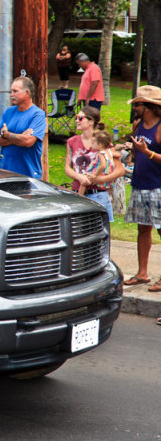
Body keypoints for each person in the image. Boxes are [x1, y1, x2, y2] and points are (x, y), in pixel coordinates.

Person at [124, 85, 161, 290]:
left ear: (147, 107)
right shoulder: (138, 125)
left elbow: (150, 154)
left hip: (158, 187)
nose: (135, 107)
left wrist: (147, 153)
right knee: (142, 229)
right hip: (140, 184)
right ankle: (142, 273)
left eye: (137, 104)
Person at [65, 107, 124, 222]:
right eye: (76, 118)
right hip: (78, 193)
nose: (76, 120)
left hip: (99, 195)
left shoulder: (103, 142)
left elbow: (120, 170)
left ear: (91, 121)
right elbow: (67, 168)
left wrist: (98, 179)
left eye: (80, 118)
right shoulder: (71, 141)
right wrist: (79, 177)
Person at [0, 76, 46, 179]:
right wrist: (19, 137)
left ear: (27, 93)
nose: (11, 95)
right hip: (5, 172)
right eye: (11, 91)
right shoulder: (8, 112)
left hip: (28, 174)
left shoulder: (37, 115)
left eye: (15, 91)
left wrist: (6, 135)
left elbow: (28, 142)